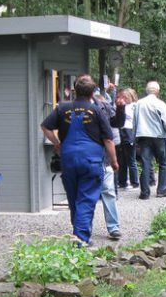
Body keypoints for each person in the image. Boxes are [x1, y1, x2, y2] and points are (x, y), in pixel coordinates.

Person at [40, 75, 118, 246]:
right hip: (90, 161)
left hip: (68, 160)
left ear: (75, 91)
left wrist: (57, 143)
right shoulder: (96, 110)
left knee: (74, 198)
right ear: (93, 93)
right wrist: (114, 161)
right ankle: (81, 240)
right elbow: (108, 140)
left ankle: (78, 233)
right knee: (86, 199)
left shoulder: (62, 108)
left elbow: (45, 126)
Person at [94, 83, 127, 240]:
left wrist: (121, 108)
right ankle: (82, 231)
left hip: (104, 158)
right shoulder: (76, 111)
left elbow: (117, 123)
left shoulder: (105, 107)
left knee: (108, 191)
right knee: (88, 194)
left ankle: (113, 227)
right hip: (90, 158)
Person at [134, 81, 166, 200]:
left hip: (144, 137)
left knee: (146, 163)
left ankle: (145, 192)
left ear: (146, 90)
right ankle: (161, 190)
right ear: (158, 91)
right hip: (159, 136)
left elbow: (135, 121)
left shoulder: (139, 103)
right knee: (163, 163)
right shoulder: (161, 104)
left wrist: (135, 136)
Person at [116, 88, 140, 190]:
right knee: (121, 160)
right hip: (121, 132)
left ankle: (135, 182)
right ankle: (122, 182)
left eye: (125, 97)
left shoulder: (135, 106)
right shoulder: (122, 106)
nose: (124, 99)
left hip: (129, 133)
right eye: (122, 97)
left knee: (131, 159)